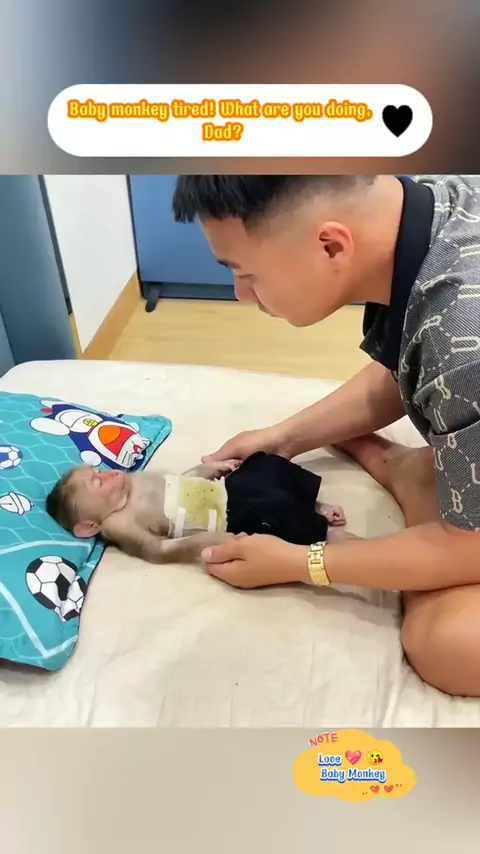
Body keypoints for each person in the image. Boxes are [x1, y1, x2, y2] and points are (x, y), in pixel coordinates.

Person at [172, 174, 480, 698]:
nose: (241, 294)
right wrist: (285, 438)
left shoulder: (462, 335)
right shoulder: (439, 206)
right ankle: (420, 485)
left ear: (332, 245)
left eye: (246, 273)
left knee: (444, 642)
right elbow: (411, 362)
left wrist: (304, 562)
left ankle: (421, 490)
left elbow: (453, 361)